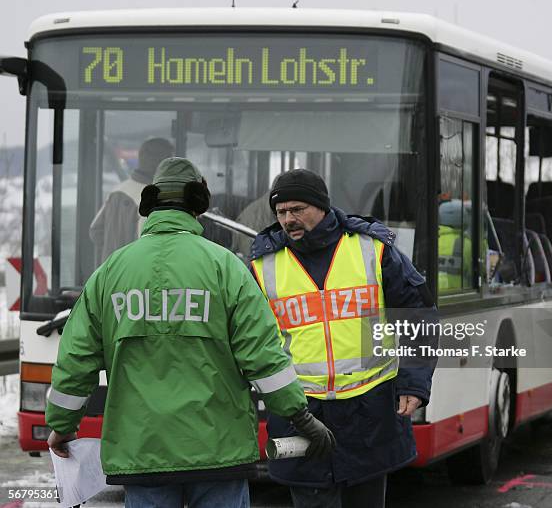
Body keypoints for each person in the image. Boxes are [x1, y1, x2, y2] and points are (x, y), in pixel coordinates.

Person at [46, 158, 335, 508]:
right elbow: (264, 356)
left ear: (152, 205)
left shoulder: (109, 273)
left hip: (142, 454)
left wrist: (62, 425)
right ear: (198, 206)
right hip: (218, 453)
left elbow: (76, 360)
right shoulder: (226, 267)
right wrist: (300, 416)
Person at [249, 169, 438, 508]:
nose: (288, 219)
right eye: (281, 212)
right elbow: (249, 340)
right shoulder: (262, 265)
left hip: (368, 411)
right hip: (301, 413)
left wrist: (413, 383)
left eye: (297, 209)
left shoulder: (372, 249)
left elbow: (417, 315)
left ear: (321, 206)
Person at [90, 137, 174, 263]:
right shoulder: (153, 198)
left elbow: (95, 231)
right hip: (135, 278)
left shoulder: (117, 190)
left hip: (110, 275)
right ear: (162, 164)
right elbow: (150, 249)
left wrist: (114, 249)